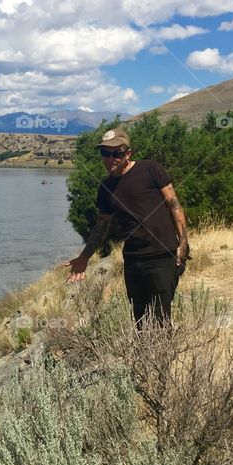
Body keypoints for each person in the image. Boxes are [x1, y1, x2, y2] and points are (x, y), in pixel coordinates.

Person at [64, 127, 189, 325]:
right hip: (132, 261)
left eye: (117, 153)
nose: (111, 158)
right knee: (139, 321)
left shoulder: (150, 169)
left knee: (160, 320)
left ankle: (162, 356)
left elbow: (174, 205)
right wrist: (84, 257)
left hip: (162, 256)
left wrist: (183, 244)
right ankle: (143, 356)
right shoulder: (105, 188)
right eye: (105, 153)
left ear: (128, 153)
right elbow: (101, 227)